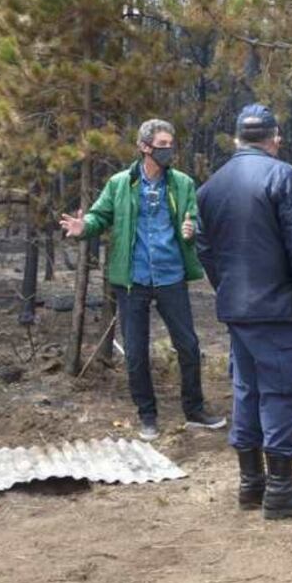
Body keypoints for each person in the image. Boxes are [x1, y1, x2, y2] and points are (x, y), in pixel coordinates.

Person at [195, 104, 292, 520]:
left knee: (247, 392)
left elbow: (205, 249)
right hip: (274, 308)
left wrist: (230, 289)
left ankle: (251, 484)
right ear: (274, 138)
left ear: (237, 139)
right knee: (285, 393)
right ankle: (281, 489)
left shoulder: (210, 186)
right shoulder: (284, 177)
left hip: (238, 308)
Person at [59, 119, 225, 442]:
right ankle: (147, 416)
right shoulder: (121, 184)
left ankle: (195, 410)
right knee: (135, 352)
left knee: (189, 346)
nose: (169, 150)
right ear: (144, 147)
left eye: (171, 144)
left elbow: (194, 218)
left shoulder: (182, 183)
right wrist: (84, 228)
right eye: (163, 144)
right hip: (132, 279)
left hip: (170, 275)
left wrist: (192, 229)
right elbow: (99, 215)